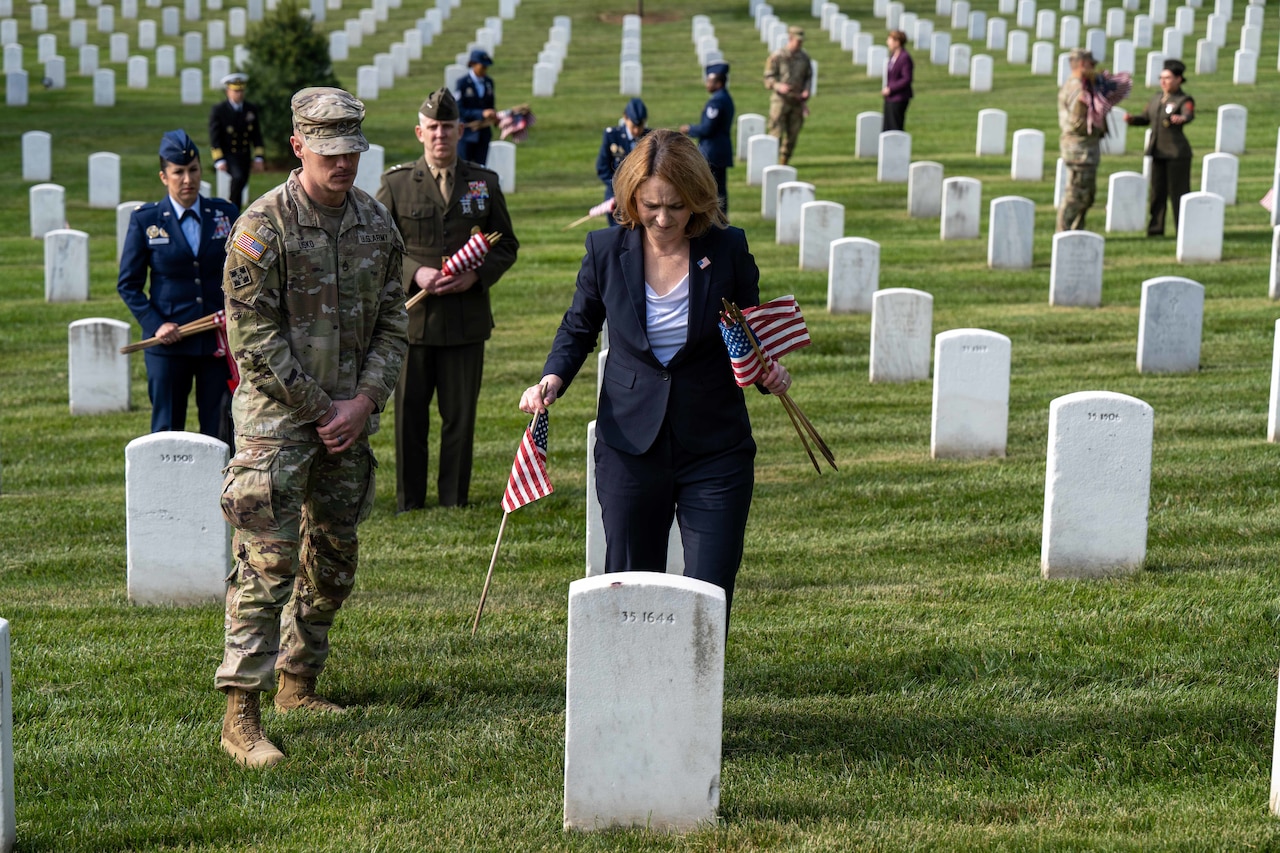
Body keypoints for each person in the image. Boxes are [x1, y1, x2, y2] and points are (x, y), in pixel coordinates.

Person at [518, 129, 791, 623]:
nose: (662, 219)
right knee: (629, 587)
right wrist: (552, 379)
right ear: (630, 200)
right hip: (629, 444)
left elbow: (749, 329)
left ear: (697, 201)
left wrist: (770, 369)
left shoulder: (728, 249)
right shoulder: (605, 251)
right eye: (650, 206)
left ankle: (695, 698)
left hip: (715, 446)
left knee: (710, 592)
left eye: (676, 206)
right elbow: (579, 325)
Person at [216, 87, 409, 768]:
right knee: (265, 566)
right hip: (278, 423)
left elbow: (394, 322)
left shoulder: (377, 227)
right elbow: (253, 338)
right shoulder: (261, 228)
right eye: (329, 152)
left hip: (347, 421)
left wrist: (363, 402)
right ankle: (241, 712)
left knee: (333, 559)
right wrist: (321, 408)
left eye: (352, 151)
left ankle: (299, 682)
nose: (343, 164)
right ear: (298, 146)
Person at [377, 87, 519, 511]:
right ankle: (410, 500)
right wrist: (414, 273)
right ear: (420, 133)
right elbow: (381, 245)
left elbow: (506, 244)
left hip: (464, 320)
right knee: (410, 417)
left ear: (460, 131)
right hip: (414, 324)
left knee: (460, 418)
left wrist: (475, 276)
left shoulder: (483, 182)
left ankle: (454, 498)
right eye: (433, 128)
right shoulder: (397, 184)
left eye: (448, 128)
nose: (441, 135)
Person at [117, 130, 237, 441]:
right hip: (168, 344)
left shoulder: (225, 214)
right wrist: (156, 325)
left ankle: (219, 491)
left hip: (216, 340)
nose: (188, 179)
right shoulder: (147, 220)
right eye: (179, 172)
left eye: (193, 170)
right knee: (167, 431)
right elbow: (128, 284)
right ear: (164, 176)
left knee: (221, 429)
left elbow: (241, 272)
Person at [1125, 59, 1195, 237]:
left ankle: (1183, 230)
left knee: (1178, 193)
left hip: (1177, 154)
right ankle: (1155, 229)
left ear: (1179, 79)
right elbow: (1146, 117)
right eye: (1161, 77)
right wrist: (1132, 119)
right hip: (1158, 152)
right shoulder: (1156, 98)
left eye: (1168, 78)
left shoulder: (1183, 99)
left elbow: (1188, 114)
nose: (1163, 81)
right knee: (1157, 193)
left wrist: (1183, 119)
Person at [1057, 48, 1106, 231]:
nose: (1094, 67)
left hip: (1084, 150)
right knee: (1077, 195)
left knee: (1087, 195)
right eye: (1092, 64)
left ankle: (1076, 230)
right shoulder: (1078, 89)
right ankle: (1065, 232)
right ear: (1082, 64)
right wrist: (1099, 123)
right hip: (1080, 150)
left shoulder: (1078, 85)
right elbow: (1077, 123)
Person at [681, 63, 735, 215]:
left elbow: (707, 128)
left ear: (718, 83)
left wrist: (689, 129)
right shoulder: (725, 98)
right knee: (718, 189)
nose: (707, 84)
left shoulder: (716, 102)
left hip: (713, 153)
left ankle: (717, 220)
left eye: (709, 81)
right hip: (720, 152)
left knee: (713, 190)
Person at [208, 72, 266, 211]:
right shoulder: (219, 110)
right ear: (228, 91)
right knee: (238, 179)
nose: (239, 94)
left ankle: (235, 211)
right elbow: (214, 136)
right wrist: (219, 158)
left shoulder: (250, 109)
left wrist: (259, 156)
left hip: (244, 154)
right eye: (235, 91)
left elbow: (256, 135)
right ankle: (231, 210)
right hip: (229, 154)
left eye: (241, 91)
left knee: (241, 184)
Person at [763, 26, 812, 165]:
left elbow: (808, 77)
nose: (800, 43)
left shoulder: (804, 58)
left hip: (797, 101)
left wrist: (806, 90)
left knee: (793, 134)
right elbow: (768, 77)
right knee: (776, 132)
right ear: (790, 38)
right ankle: (770, 162)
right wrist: (779, 86)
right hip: (780, 101)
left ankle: (784, 161)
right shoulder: (778, 56)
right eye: (798, 40)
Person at [596, 97, 649, 219]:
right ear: (625, 118)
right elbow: (602, 168)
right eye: (633, 126)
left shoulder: (650, 137)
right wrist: (619, 187)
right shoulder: (612, 137)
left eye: (640, 126)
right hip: (617, 198)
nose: (636, 130)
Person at [455, 49, 497, 165]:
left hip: (483, 134)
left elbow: (491, 105)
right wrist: (481, 114)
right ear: (473, 64)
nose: (485, 70)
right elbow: (460, 110)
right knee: (465, 168)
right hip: (467, 134)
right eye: (482, 66)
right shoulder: (462, 83)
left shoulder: (489, 83)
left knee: (481, 169)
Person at [882, 30, 914, 132]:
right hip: (890, 98)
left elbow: (907, 78)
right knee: (887, 125)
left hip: (899, 98)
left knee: (895, 125)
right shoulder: (892, 56)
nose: (888, 42)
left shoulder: (904, 58)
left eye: (890, 40)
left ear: (897, 42)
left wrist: (891, 89)